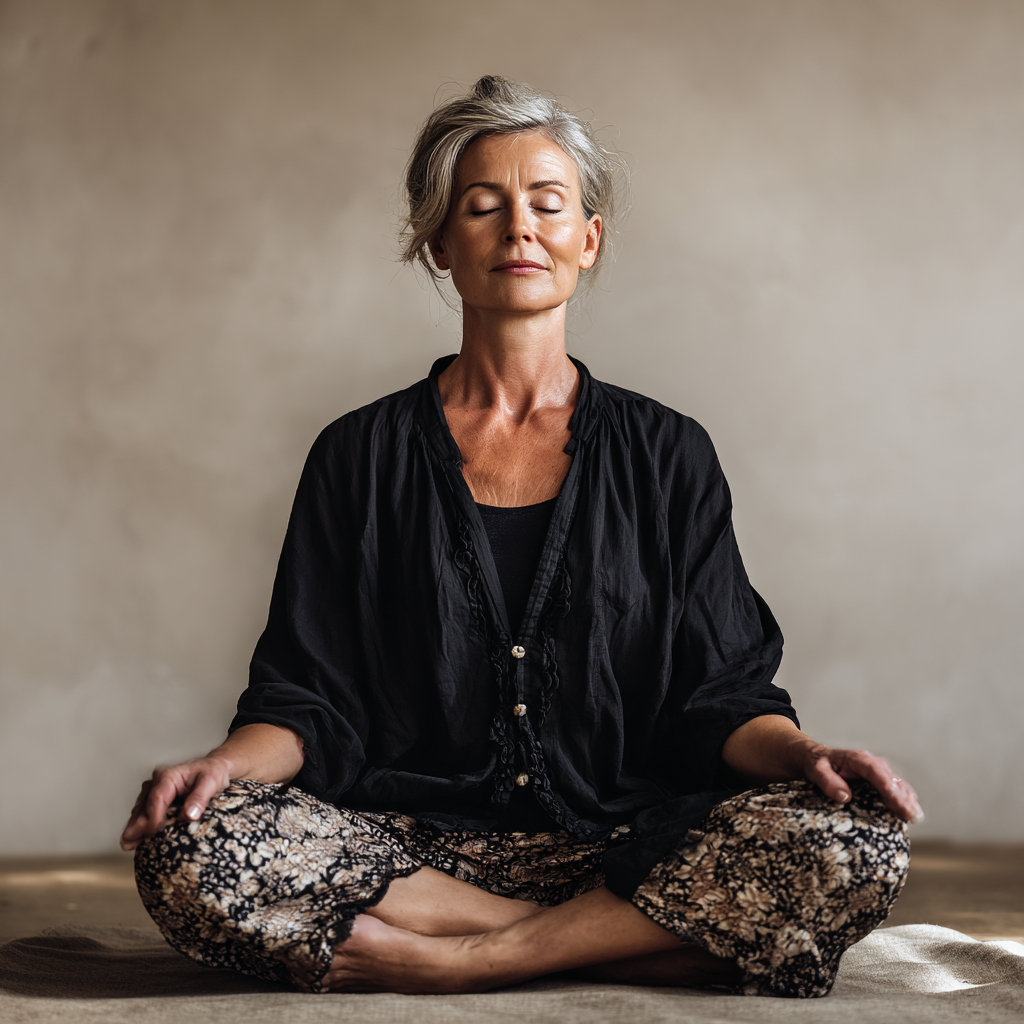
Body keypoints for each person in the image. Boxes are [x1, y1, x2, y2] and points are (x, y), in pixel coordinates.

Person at [120, 75, 923, 998]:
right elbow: (309, 699)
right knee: (189, 844)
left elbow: (722, 695)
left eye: (548, 204)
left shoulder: (669, 453)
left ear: (589, 239)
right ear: (439, 243)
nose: (519, 230)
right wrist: (221, 769)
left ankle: (466, 959)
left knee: (857, 836)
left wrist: (807, 756)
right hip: (411, 855)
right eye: (482, 207)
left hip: (630, 843)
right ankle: (635, 944)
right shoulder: (358, 454)